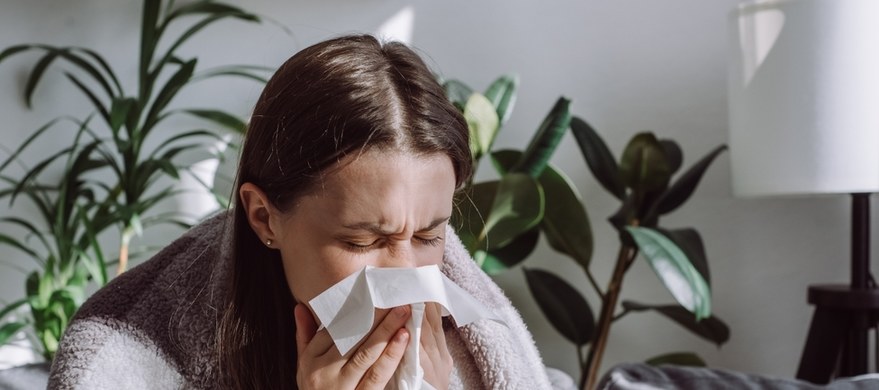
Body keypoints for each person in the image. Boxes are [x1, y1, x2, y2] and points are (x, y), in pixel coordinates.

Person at [48, 34, 559, 389]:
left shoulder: (468, 342)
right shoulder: (121, 349)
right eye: (362, 241)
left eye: (429, 236)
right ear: (264, 218)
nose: (407, 276)